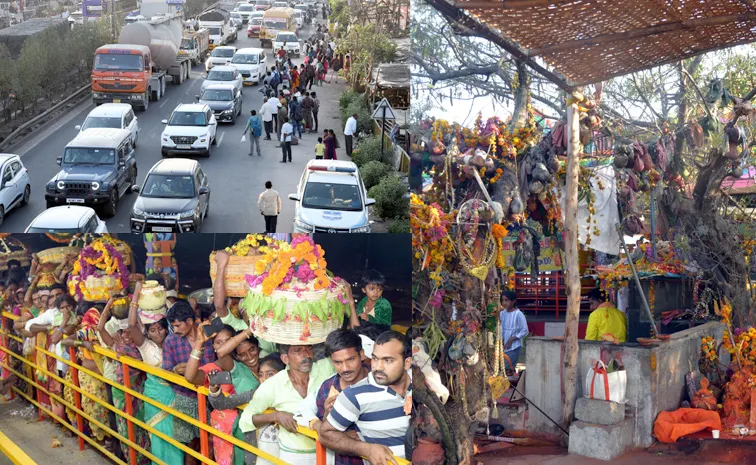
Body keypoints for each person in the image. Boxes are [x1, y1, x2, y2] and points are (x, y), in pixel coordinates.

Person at [319, 331, 411, 464]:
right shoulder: (354, 395)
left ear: (407, 363)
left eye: (388, 360)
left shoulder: (422, 387)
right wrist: (365, 449)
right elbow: (325, 434)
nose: (378, 367)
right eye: (375, 358)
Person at [238, 344, 335, 465]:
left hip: (329, 452)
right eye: (298, 350)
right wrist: (276, 416)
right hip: (294, 455)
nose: (306, 354)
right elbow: (246, 420)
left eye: (309, 348)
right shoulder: (273, 384)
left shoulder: (324, 368)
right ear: (285, 358)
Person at [184, 322, 259, 465]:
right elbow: (191, 376)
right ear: (213, 345)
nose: (224, 346)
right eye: (219, 342)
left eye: (229, 341)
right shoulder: (219, 369)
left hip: (249, 428)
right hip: (226, 428)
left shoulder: (252, 366)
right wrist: (199, 343)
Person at [126, 283, 183, 465]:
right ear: (148, 333)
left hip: (173, 397)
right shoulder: (145, 346)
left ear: (166, 329)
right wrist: (136, 293)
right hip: (155, 398)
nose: (158, 333)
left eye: (160, 329)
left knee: (175, 440)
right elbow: (131, 324)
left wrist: (162, 298)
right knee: (158, 438)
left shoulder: (173, 343)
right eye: (153, 330)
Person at [296, 329, 370, 465]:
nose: (345, 368)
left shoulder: (380, 382)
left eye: (351, 359)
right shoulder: (328, 388)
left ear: (362, 355)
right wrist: (326, 424)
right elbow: (305, 414)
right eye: (338, 362)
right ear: (331, 361)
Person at [98, 298, 152, 465]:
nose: (127, 335)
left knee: (141, 429)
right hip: (121, 394)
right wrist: (109, 305)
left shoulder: (141, 347)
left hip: (139, 393)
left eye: (129, 331)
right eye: (123, 332)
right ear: (119, 333)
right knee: (125, 431)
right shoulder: (116, 345)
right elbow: (100, 328)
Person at [162, 301, 217, 465]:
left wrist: (196, 369)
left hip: (211, 399)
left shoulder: (210, 332)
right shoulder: (170, 341)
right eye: (173, 326)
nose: (175, 330)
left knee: (212, 444)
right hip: (185, 398)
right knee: (190, 447)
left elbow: (222, 360)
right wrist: (176, 371)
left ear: (190, 322)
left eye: (178, 326)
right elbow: (165, 372)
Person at [255, 354, 285, 465]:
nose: (264, 379)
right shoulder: (256, 395)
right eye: (261, 375)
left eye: (270, 374)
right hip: (263, 455)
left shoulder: (290, 396)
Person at [499, 290, 528, 374]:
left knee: (507, 367)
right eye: (502, 300)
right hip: (503, 345)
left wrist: (512, 339)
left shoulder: (518, 314)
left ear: (513, 301)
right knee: (504, 369)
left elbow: (525, 330)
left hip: (514, 346)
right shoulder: (502, 313)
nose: (504, 303)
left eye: (506, 300)